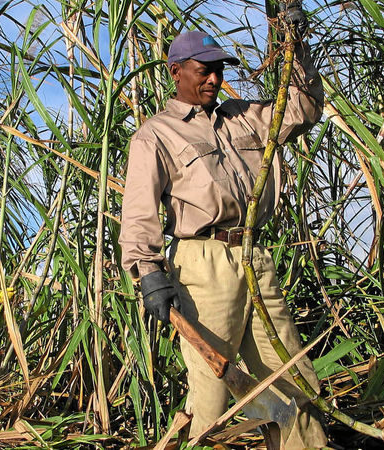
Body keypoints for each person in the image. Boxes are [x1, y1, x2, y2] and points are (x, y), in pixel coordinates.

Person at [118, 10, 327, 449]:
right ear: (176, 72)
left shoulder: (243, 117)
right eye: (203, 70)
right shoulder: (156, 134)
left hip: (255, 257)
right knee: (213, 391)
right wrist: (148, 272)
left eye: (218, 69)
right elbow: (138, 212)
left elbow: (303, 108)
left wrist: (293, 41)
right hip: (203, 265)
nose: (213, 79)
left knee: (293, 377)